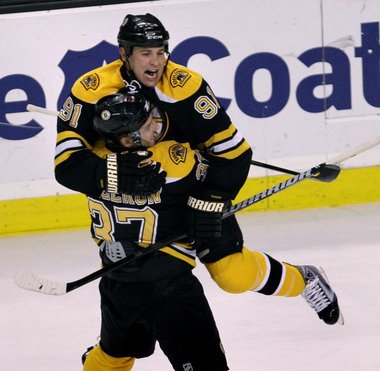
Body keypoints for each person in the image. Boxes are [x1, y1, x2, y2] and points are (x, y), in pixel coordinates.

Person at [54, 12, 343, 325]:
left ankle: (304, 279)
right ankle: (111, 348)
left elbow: (234, 153)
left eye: (161, 52)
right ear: (124, 54)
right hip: (138, 205)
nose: (156, 62)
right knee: (136, 292)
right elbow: (66, 164)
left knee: (232, 276)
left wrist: (210, 201)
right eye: (146, 54)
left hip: (191, 187)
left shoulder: (185, 86)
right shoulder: (91, 89)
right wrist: (114, 172)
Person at [47, 90, 231, 371]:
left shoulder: (96, 165)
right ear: (129, 139)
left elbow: (72, 163)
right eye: (148, 122)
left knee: (111, 358)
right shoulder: (173, 163)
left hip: (118, 282)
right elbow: (213, 178)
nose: (157, 123)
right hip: (168, 288)